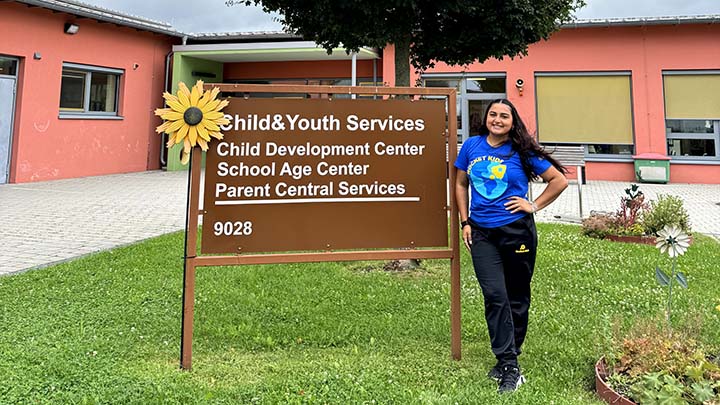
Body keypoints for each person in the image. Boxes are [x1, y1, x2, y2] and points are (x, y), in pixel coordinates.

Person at [454, 99, 568, 394]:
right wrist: (465, 220)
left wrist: (533, 205)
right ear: (486, 118)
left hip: (516, 232)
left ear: (512, 121)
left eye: (504, 116)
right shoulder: (471, 146)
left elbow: (558, 181)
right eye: (493, 114)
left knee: (516, 296)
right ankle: (509, 363)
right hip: (481, 232)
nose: (498, 119)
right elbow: (460, 184)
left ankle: (509, 356)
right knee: (494, 295)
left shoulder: (522, 151)